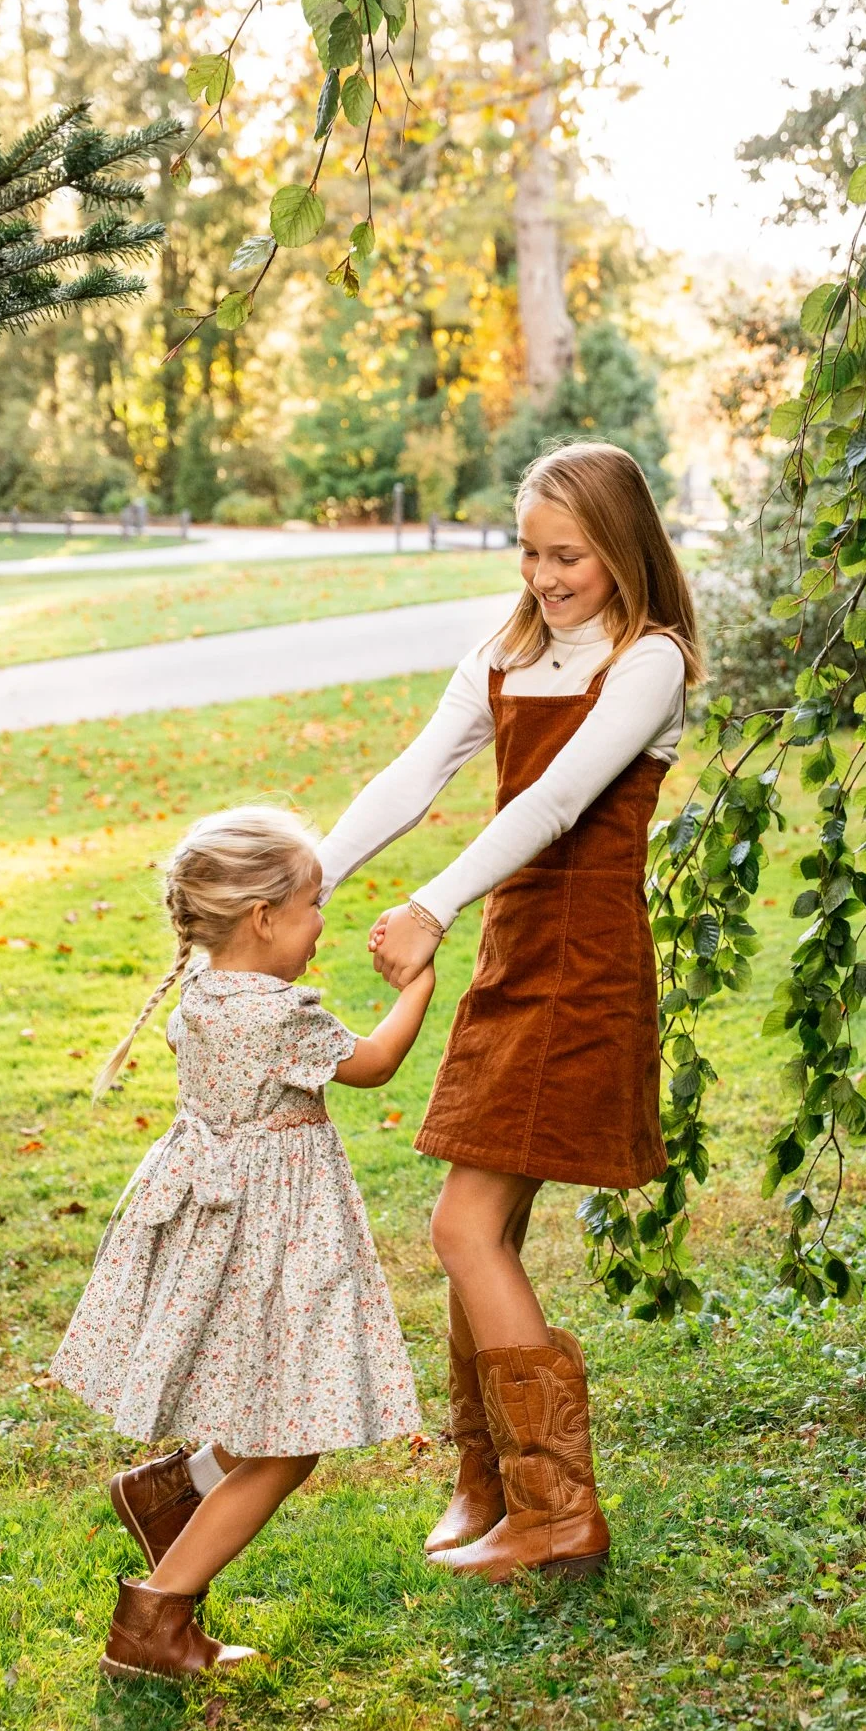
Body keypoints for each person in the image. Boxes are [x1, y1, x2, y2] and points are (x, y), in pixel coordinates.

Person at [318, 441, 704, 1582]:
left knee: (461, 1225)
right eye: (529, 551)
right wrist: (304, 880)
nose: (542, 574)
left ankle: (554, 1507)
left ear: (622, 545)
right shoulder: (511, 648)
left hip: (581, 964)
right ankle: (487, 1479)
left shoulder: (650, 662)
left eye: (567, 554)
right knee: (481, 1222)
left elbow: (559, 797)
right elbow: (415, 769)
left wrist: (432, 902)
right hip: (514, 952)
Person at [50, 806, 433, 1679]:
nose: (321, 924)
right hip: (278, 1238)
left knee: (272, 1400)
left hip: (225, 1231)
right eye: (311, 907)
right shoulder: (280, 1014)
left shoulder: (205, 994)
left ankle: (177, 1488)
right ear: (263, 919)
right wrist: (418, 989)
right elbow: (372, 1065)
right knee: (290, 1437)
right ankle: (155, 1619)